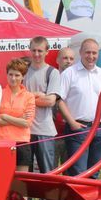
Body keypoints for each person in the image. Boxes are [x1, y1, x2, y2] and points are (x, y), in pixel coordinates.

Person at [57, 38, 101, 177]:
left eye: (94, 53)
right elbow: (60, 100)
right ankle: (78, 199)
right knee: (78, 172)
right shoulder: (69, 73)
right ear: (81, 53)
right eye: (87, 52)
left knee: (94, 172)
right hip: (79, 129)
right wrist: (72, 123)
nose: (91, 56)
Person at [24, 36, 61, 173]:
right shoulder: (23, 71)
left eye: (40, 51)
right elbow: (17, 98)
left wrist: (27, 98)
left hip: (44, 131)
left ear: (47, 51)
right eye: (34, 50)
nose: (36, 54)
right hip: (25, 131)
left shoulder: (52, 73)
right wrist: (38, 95)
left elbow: (50, 101)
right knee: (25, 174)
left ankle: (46, 196)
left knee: (47, 173)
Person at [0, 59, 35, 171]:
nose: (13, 78)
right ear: (7, 75)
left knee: (21, 182)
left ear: (23, 77)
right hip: (2, 142)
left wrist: (5, 116)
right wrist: (18, 119)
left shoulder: (29, 96)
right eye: (10, 74)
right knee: (2, 177)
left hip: (22, 142)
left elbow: (26, 123)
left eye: (17, 75)